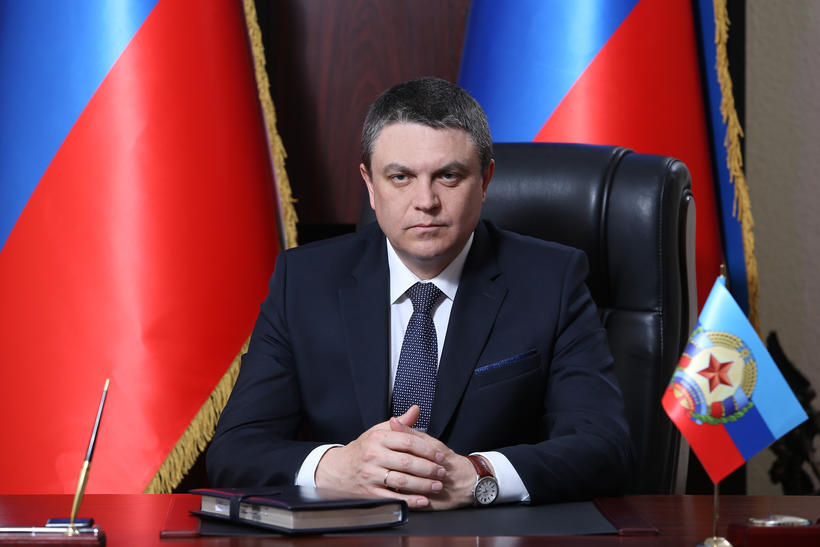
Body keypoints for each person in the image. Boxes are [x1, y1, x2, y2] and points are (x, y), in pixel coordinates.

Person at [207, 77, 632, 509]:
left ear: (485, 180)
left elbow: (605, 447)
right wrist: (336, 467)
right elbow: (234, 450)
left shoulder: (552, 280)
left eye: (448, 176)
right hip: (348, 533)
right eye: (401, 177)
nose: (425, 201)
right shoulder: (303, 281)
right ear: (370, 185)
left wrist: (479, 476)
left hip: (490, 533)